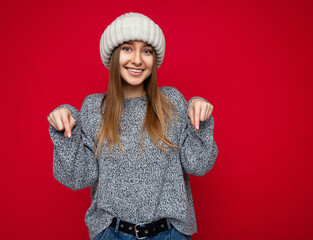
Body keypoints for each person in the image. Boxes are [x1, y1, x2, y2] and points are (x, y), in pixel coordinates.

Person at [47, 12, 218, 240]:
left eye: (146, 51)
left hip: (169, 234)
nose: (137, 59)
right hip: (112, 233)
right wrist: (66, 133)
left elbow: (199, 165)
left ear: (154, 59)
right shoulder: (93, 108)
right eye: (127, 48)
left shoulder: (172, 103)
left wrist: (201, 121)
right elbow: (78, 178)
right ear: (113, 54)